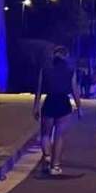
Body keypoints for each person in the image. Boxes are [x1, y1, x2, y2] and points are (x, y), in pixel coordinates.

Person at [32, 46, 81, 176]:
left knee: (45, 134)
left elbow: (39, 87)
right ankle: (56, 166)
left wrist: (36, 105)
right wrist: (79, 106)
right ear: (66, 56)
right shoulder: (70, 70)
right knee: (59, 136)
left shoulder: (45, 69)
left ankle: (47, 156)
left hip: (50, 101)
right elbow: (74, 89)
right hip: (63, 102)